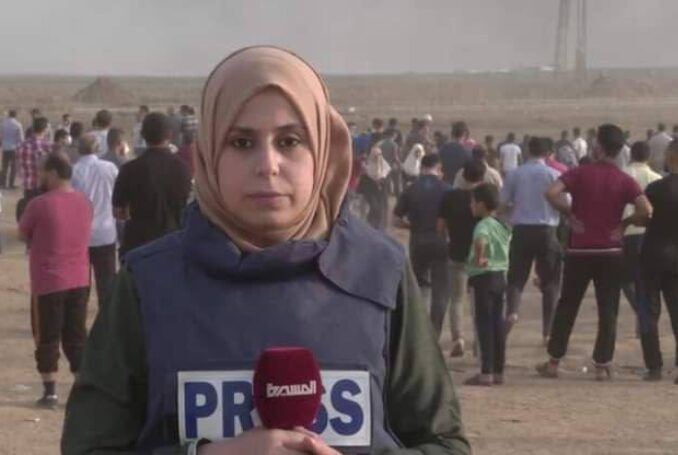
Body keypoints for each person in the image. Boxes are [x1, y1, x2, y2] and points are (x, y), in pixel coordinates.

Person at [62, 46, 470, 455]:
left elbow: (444, 443)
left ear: (323, 150)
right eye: (241, 142)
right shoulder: (148, 284)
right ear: (209, 153)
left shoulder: (379, 273)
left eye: (290, 141)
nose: (268, 165)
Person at [537, 124, 652, 381]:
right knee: (608, 309)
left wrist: (570, 214)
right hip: (610, 251)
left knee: (568, 305)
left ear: (598, 146)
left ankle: (554, 361)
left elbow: (551, 193)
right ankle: (602, 364)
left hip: (580, 249)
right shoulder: (624, 180)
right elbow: (646, 209)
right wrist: (624, 224)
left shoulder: (580, 173)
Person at [18, 152, 92, 408]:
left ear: (53, 173)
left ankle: (50, 391)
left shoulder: (39, 204)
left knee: (47, 336)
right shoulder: (84, 202)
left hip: (49, 280)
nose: (40, 176)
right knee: (76, 335)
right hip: (80, 278)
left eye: (42, 172)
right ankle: (81, 387)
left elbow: (22, 233)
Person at [501, 137, 562, 344]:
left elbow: (502, 202)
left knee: (516, 278)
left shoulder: (514, 174)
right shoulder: (554, 174)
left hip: (521, 229)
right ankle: (548, 331)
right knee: (550, 282)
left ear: (527, 151)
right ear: (548, 154)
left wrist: (509, 215)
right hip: (546, 230)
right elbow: (566, 201)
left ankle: (512, 312)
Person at [112, 112, 191, 259]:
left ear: (143, 135)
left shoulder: (130, 169)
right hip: (173, 244)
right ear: (169, 135)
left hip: (139, 246)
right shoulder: (182, 168)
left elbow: (118, 212)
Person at [394, 154, 451, 340]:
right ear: (438, 168)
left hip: (418, 241)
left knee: (419, 287)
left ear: (422, 167)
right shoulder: (447, 189)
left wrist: (412, 226)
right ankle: (435, 333)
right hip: (441, 242)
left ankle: (420, 331)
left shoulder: (411, 189)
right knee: (440, 289)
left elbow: (396, 219)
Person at [638, 140, 678, 383]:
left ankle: (654, 367)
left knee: (649, 313)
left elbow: (644, 217)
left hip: (652, 255)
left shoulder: (655, 188)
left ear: (670, 157)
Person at [438, 158, 486, 357]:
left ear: (463, 175)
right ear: (482, 177)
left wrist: (447, 240)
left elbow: (440, 227)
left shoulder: (450, 196)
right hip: (480, 254)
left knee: (456, 299)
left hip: (456, 252)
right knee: (479, 300)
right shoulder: (484, 197)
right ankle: (480, 343)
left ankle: (458, 338)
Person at [465, 183, 511, 386]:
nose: (471, 206)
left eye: (473, 202)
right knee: (497, 324)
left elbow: (480, 240)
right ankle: (499, 370)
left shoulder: (483, 225)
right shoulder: (502, 225)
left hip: (483, 277)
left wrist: (480, 258)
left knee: (484, 325)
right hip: (500, 276)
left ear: (482, 204)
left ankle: (486, 371)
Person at [71, 133, 119, 308]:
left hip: (80, 234)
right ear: (98, 148)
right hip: (105, 232)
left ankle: (78, 319)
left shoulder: (73, 171)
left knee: (80, 284)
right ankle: (107, 319)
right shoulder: (109, 168)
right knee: (107, 283)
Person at [621, 141, 661, 336]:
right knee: (647, 282)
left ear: (631, 155)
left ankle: (641, 313)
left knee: (625, 280)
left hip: (627, 233)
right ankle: (644, 318)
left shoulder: (622, 175)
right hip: (650, 236)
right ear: (649, 156)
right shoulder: (656, 178)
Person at [17, 117, 52, 204]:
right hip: (43, 186)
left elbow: (19, 166)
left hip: (28, 186)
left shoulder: (22, 145)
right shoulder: (47, 146)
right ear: (45, 129)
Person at [1, 109, 24, 189]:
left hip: (5, 147)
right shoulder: (18, 124)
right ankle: (11, 183)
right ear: (15, 115)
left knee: (5, 166)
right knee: (13, 166)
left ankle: (3, 183)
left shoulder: (3, 123)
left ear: (9, 115)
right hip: (14, 147)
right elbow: (21, 138)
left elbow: (1, 135)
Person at [377, 128, 402, 196]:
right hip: (392, 165)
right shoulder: (394, 144)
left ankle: (385, 194)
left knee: (386, 181)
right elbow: (395, 156)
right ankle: (397, 194)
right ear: (393, 135)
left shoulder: (381, 144)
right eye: (396, 134)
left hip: (383, 165)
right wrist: (399, 164)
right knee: (396, 181)